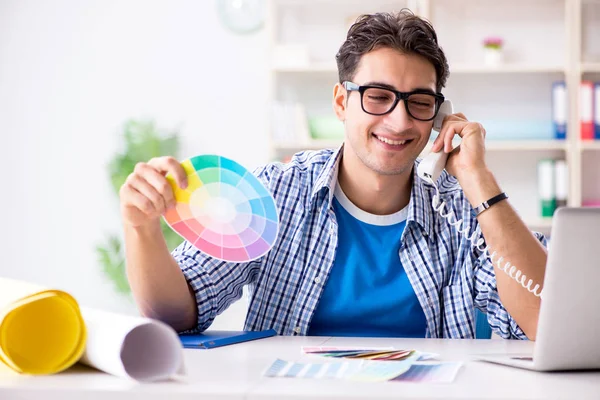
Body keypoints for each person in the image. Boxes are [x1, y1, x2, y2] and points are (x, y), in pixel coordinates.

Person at [120, 10, 547, 340]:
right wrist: (141, 229)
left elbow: (545, 320)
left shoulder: (463, 211)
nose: (399, 122)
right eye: (378, 97)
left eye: (419, 102)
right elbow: (177, 315)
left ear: (439, 115)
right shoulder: (275, 193)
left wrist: (478, 180)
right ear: (341, 102)